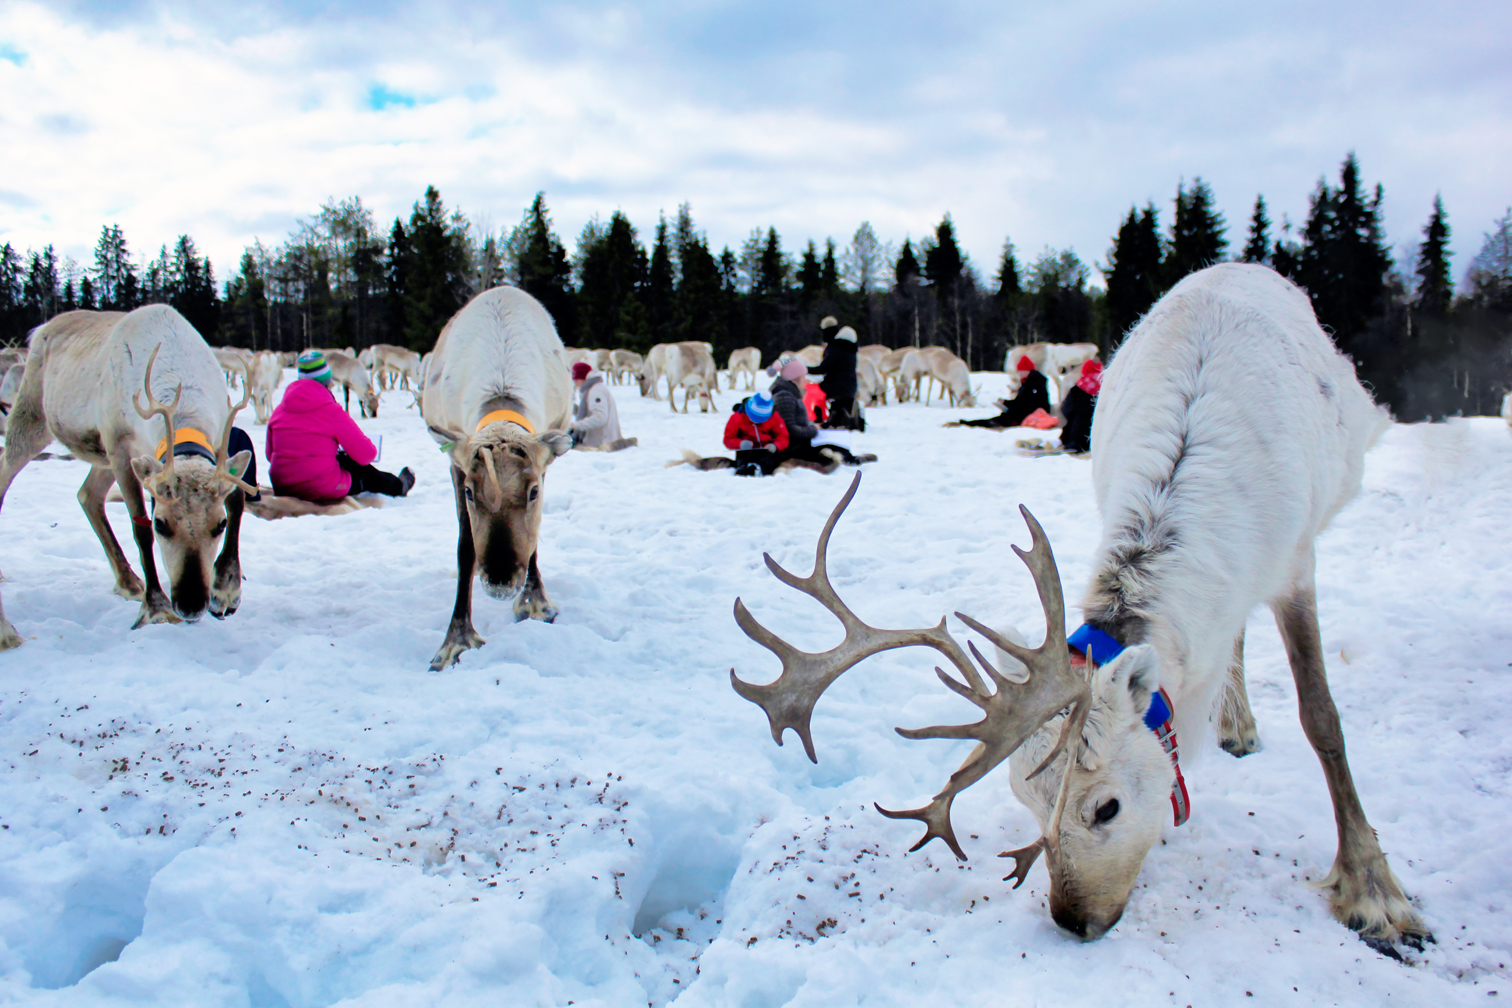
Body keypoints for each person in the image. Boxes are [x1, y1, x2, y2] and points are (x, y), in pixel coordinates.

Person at [266, 350, 414, 500]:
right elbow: (367, 455)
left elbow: (270, 455)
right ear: (328, 382)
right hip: (321, 487)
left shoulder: (278, 411)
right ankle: (398, 486)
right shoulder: (331, 411)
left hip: (282, 485)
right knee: (363, 471)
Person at [765, 356, 874, 472]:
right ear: (795, 379)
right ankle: (850, 461)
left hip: (798, 443)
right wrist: (813, 430)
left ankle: (850, 459)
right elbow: (791, 431)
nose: (806, 381)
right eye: (803, 377)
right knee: (832, 450)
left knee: (835, 447)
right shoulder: (784, 397)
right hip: (793, 448)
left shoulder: (787, 394)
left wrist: (812, 426)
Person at [949, 355, 1050, 429]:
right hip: (1021, 414)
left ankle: (966, 424)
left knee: (996, 421)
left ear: (1027, 370)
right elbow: (1022, 402)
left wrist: (1009, 405)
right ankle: (966, 423)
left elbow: (1028, 404)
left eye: (1020, 371)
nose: (1019, 374)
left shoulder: (1035, 385)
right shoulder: (1028, 383)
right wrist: (1006, 403)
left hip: (1026, 416)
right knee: (996, 420)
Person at [806, 321, 862, 430]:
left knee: (811, 390)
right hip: (850, 388)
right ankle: (824, 418)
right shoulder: (851, 351)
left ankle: (817, 419)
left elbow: (822, 369)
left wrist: (804, 369)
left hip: (835, 387)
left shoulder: (835, 348)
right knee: (819, 391)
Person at [723, 391, 789, 476]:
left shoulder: (775, 418)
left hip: (767, 452)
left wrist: (776, 446)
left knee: (768, 466)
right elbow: (728, 438)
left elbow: (783, 437)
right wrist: (740, 444)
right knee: (742, 468)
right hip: (745, 452)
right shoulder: (737, 418)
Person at [569, 361, 629, 449]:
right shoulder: (591, 388)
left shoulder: (595, 391)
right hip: (598, 440)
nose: (573, 382)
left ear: (580, 377)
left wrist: (575, 426)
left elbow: (600, 417)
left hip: (601, 442)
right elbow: (588, 413)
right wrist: (570, 408)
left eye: (574, 379)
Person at [1058, 358, 1101, 454]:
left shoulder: (1078, 388)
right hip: (1100, 439)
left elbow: (1065, 410)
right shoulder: (1107, 389)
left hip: (1078, 439)